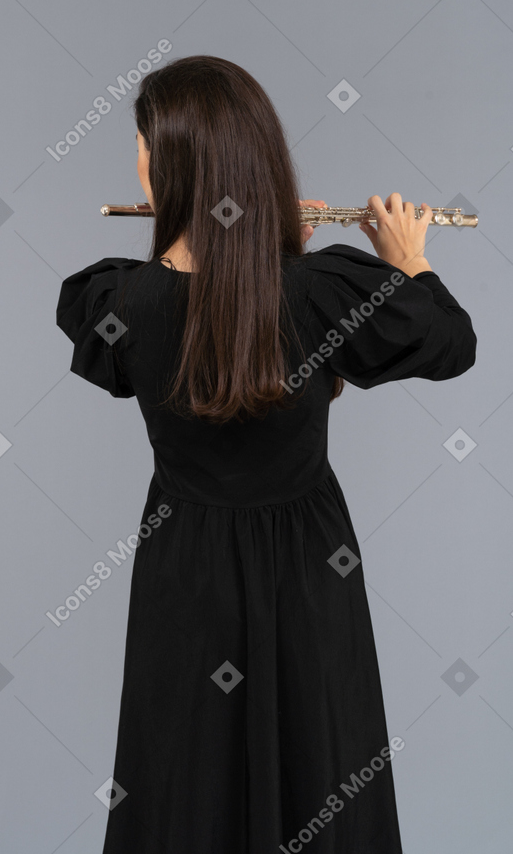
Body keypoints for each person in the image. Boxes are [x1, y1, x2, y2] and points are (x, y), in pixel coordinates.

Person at [55, 55, 476, 853]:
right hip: (311, 568)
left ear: (168, 165)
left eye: (140, 145)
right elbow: (450, 343)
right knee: (322, 765)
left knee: (184, 774)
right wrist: (406, 255)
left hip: (185, 562)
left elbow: (176, 312)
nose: (135, 162)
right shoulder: (320, 292)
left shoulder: (118, 301)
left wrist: (262, 249)